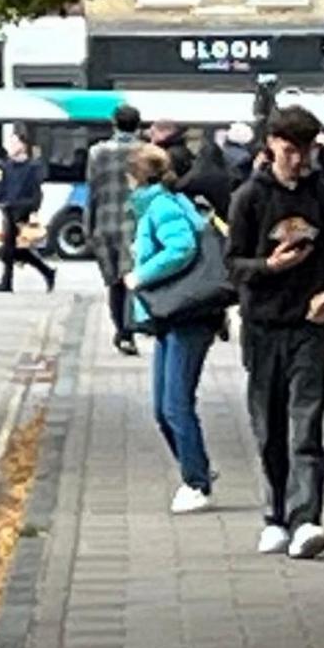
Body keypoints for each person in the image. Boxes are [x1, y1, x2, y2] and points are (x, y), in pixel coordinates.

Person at [226, 107, 324, 560]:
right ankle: (275, 516)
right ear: (271, 146)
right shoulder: (249, 198)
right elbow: (231, 264)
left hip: (310, 325)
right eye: (289, 151)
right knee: (269, 426)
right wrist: (268, 266)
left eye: (305, 150)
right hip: (263, 325)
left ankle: (307, 518)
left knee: (306, 422)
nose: (298, 160)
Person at [121, 141, 226, 513]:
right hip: (173, 315)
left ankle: (195, 482)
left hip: (186, 314)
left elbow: (180, 248)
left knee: (176, 405)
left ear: (136, 176)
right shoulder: (165, 202)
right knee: (163, 408)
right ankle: (195, 467)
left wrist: (140, 275)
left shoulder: (161, 206)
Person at [86, 105, 147, 354]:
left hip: (106, 223)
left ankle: (121, 330)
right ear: (138, 124)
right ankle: (129, 331)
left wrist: (89, 226)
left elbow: (92, 191)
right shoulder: (146, 152)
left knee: (114, 283)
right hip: (137, 223)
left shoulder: (97, 152)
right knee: (133, 279)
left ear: (114, 124)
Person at [0, 133, 58, 293]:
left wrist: (33, 209)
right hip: (8, 208)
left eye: (14, 143)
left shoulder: (33, 167)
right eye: (10, 143)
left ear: (23, 145)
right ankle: (45, 272)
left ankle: (8, 281)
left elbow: (36, 191)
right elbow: (2, 188)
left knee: (8, 249)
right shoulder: (6, 166)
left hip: (22, 209)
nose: (11, 147)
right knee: (10, 248)